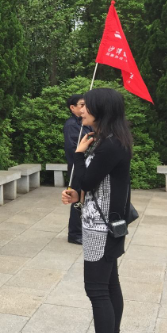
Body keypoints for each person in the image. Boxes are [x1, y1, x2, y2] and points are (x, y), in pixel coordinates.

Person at [61, 88, 131, 333]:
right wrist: (77, 193)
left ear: (101, 110)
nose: (81, 110)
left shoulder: (108, 145)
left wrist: (78, 155)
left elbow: (88, 180)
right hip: (104, 222)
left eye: (87, 107)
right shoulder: (107, 140)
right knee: (109, 283)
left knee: (97, 290)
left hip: (101, 228)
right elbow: (90, 185)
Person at [64, 94, 93, 245]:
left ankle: (83, 229)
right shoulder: (72, 125)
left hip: (87, 165)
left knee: (85, 197)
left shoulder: (87, 122)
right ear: (72, 108)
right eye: (81, 105)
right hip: (77, 166)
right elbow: (72, 148)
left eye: (85, 105)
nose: (84, 108)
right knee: (77, 198)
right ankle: (74, 234)